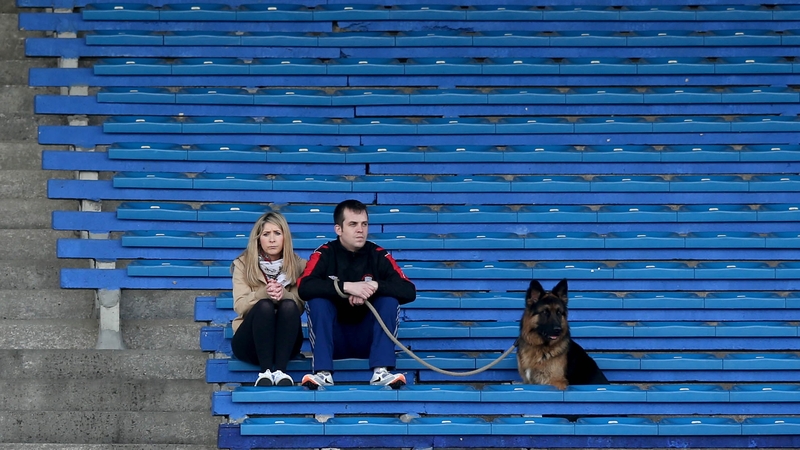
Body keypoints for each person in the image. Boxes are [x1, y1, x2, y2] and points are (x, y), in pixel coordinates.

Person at [297, 199, 416, 389]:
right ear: (338, 229)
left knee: (389, 300)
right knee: (317, 300)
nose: (360, 230)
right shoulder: (325, 253)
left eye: (364, 224)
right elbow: (304, 287)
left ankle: (381, 371)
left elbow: (409, 290)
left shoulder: (378, 254)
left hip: (368, 341)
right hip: (334, 340)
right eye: (353, 224)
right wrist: (347, 287)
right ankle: (322, 373)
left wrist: (373, 287)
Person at [230, 211, 307, 387]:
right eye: (266, 234)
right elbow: (240, 306)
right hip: (250, 344)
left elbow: (301, 306)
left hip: (286, 343)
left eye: (277, 233)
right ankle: (264, 373)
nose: (272, 239)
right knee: (264, 305)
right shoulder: (242, 264)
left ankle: (280, 371)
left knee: (288, 305)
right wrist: (263, 293)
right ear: (258, 239)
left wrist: (284, 294)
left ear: (285, 237)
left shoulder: (299, 265)